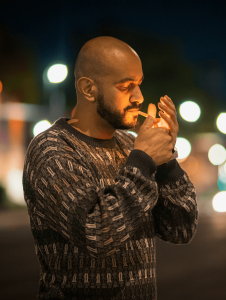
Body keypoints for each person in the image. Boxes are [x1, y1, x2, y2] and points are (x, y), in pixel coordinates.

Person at [22, 36, 198, 300]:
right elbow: (97, 232)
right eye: (125, 86)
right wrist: (144, 160)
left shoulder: (131, 147)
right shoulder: (52, 149)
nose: (138, 96)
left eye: (138, 84)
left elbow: (181, 229)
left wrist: (166, 158)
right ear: (89, 89)